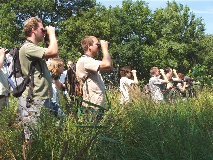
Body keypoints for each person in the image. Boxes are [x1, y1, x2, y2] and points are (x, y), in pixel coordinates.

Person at [18, 17, 59, 140]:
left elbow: (53, 53)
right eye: (42, 29)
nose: (44, 31)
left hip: (43, 98)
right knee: (31, 139)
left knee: (54, 129)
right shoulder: (27, 47)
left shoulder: (35, 49)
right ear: (33, 30)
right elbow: (53, 52)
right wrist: (51, 33)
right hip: (33, 100)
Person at [76, 36, 113, 121]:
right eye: (97, 44)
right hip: (91, 106)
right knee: (93, 132)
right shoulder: (84, 60)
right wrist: (104, 49)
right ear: (89, 46)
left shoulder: (91, 61)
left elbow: (110, 67)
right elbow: (107, 64)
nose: (99, 47)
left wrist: (105, 50)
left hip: (97, 106)